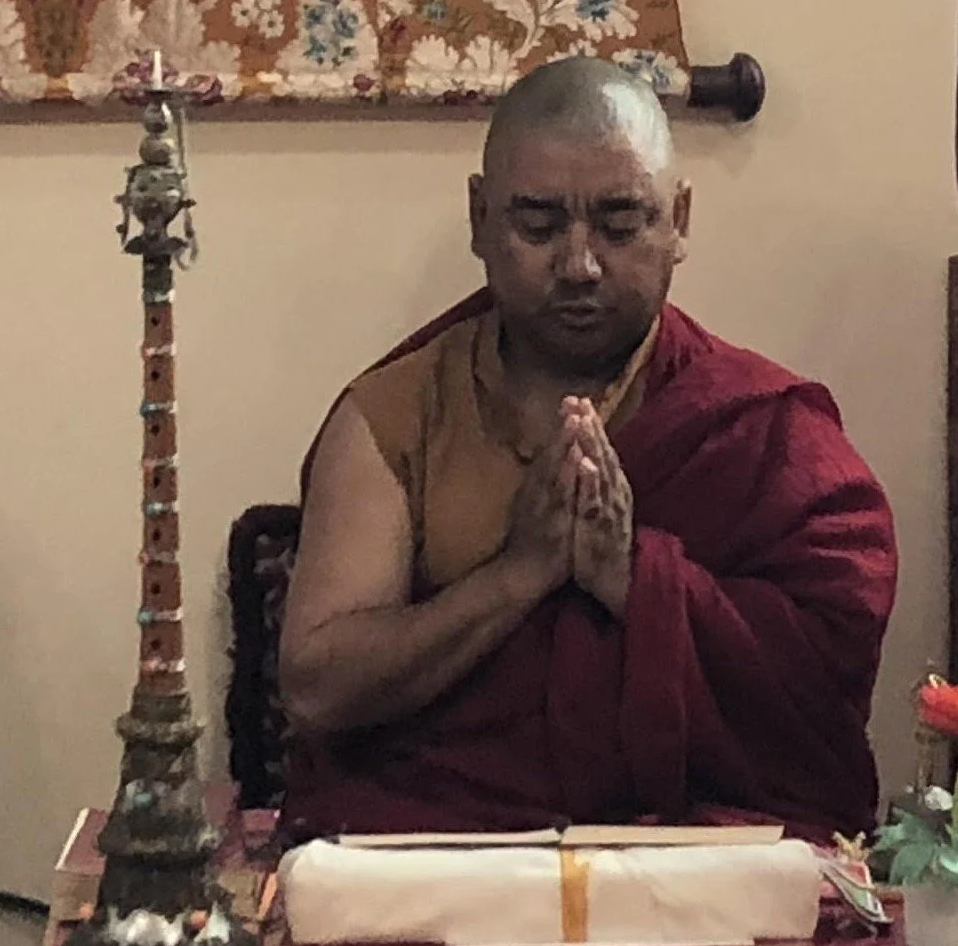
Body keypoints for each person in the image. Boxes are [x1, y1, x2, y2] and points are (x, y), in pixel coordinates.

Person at [279, 57, 896, 844]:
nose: (578, 264)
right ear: (479, 216)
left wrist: (630, 575)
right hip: (446, 856)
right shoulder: (395, 415)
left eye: (619, 223)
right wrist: (517, 574)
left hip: (698, 862)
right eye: (538, 225)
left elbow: (823, 677)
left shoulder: (760, 428)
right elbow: (317, 688)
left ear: (678, 220)